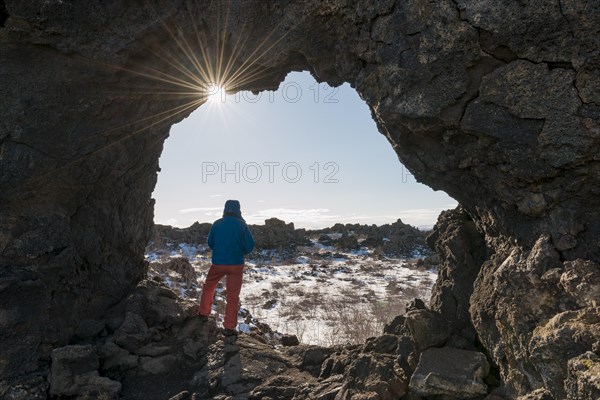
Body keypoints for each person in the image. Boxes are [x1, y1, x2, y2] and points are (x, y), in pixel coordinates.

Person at [198, 199, 255, 337]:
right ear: (238, 210)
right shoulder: (242, 225)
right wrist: (242, 252)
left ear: (225, 209)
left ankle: (203, 314)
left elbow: (210, 242)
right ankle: (229, 328)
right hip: (236, 264)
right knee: (232, 296)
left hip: (218, 263)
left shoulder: (217, 224)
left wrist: (219, 250)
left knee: (209, 287)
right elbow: (250, 245)